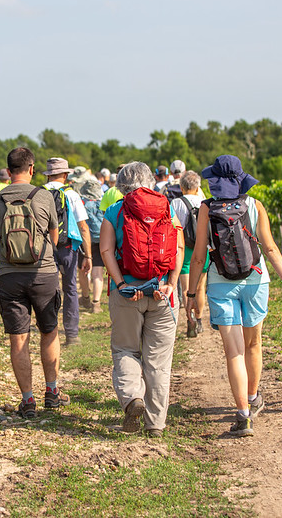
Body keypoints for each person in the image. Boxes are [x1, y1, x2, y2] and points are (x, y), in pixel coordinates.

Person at [186, 155, 282, 437]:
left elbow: (198, 257)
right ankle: (254, 395)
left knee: (233, 352)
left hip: (221, 284)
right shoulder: (255, 205)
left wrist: (191, 292)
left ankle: (243, 414)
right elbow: (270, 248)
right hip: (256, 281)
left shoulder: (206, 210)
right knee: (254, 345)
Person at [100, 162, 184, 438]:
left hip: (127, 292)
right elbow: (178, 246)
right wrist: (172, 284)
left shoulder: (114, 211)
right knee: (158, 361)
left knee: (125, 350)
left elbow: (106, 249)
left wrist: (121, 283)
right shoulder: (167, 207)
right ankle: (155, 424)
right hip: (162, 292)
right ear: (150, 181)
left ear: (121, 186)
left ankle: (132, 397)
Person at [0, 148, 69, 418]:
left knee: (18, 339)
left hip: (9, 276)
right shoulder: (44, 196)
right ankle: (52, 391)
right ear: (32, 169)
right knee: (49, 332)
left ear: (9, 170)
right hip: (43, 274)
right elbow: (55, 237)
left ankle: (28, 400)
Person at [43, 157, 92, 346]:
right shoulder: (71, 195)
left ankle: (50, 332)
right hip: (68, 248)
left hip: (46, 249)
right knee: (70, 289)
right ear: (65, 174)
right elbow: (83, 226)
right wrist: (87, 255)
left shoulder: (39, 193)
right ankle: (72, 335)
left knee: (49, 290)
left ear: (48, 175)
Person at [170, 170, 208, 336]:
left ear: (181, 187)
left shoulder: (176, 203)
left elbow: (172, 227)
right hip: (202, 248)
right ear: (197, 186)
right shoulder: (204, 203)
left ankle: (189, 319)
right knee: (200, 288)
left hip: (184, 248)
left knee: (186, 289)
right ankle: (199, 320)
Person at [76, 178, 106, 313]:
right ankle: (96, 303)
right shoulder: (104, 204)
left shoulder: (82, 204)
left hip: (85, 240)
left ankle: (86, 297)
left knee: (83, 270)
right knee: (98, 272)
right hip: (102, 239)